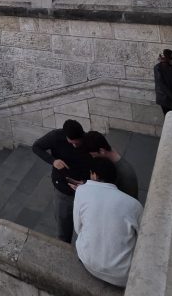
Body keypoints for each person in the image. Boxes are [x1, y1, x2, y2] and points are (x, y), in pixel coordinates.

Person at [72, 157, 143, 287]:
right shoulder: (134, 205)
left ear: (94, 175)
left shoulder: (81, 191)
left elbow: (78, 228)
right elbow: (142, 241)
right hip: (122, 275)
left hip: (87, 261)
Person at [31, 119, 91, 243]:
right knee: (63, 227)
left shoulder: (88, 140)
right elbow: (36, 147)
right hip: (63, 191)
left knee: (88, 226)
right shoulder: (55, 136)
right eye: (72, 143)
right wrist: (53, 161)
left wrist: (87, 182)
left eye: (77, 143)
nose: (75, 146)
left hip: (86, 190)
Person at [83, 131, 139, 199]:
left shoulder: (126, 174)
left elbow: (129, 199)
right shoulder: (109, 152)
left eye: (93, 155)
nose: (93, 157)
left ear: (101, 151)